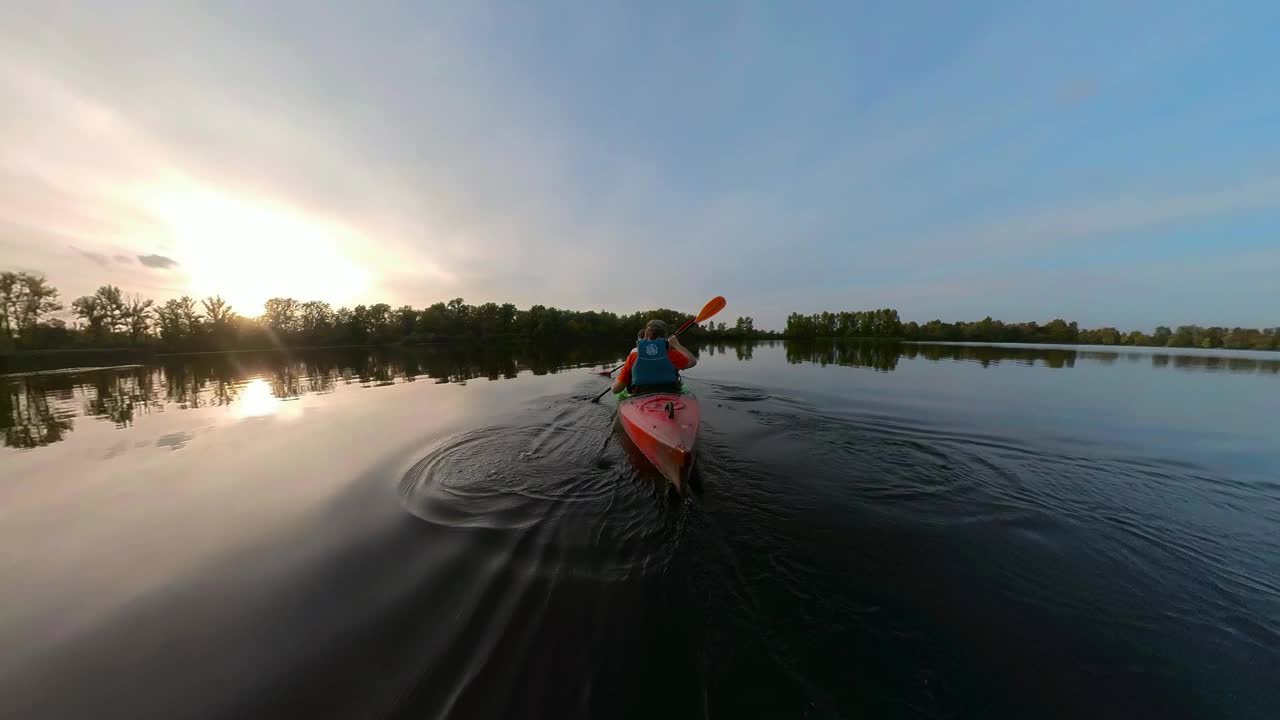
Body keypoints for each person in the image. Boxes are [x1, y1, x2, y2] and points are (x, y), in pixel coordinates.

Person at [611, 319, 697, 396]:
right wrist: (676, 344)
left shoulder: (633, 356)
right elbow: (692, 361)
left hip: (640, 397)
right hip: (670, 395)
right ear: (665, 336)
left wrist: (613, 384)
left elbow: (616, 390)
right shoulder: (673, 355)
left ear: (645, 334)